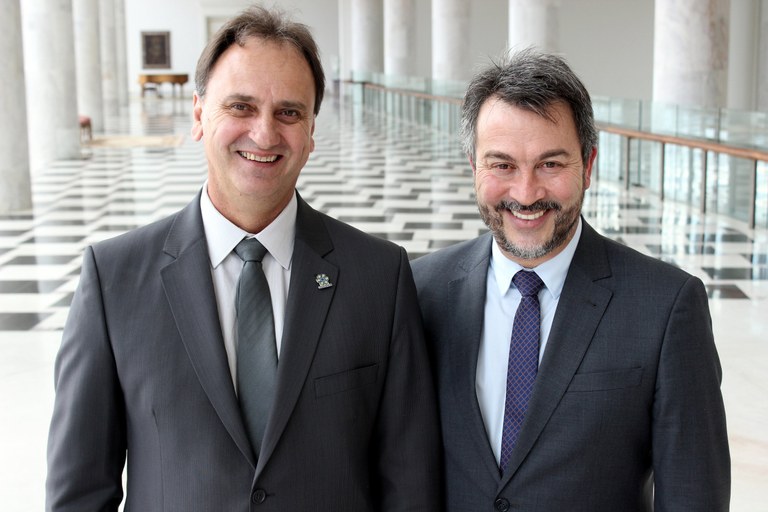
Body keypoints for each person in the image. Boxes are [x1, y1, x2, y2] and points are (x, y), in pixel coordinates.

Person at [46, 6, 441, 511]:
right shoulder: (113, 280)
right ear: (198, 115)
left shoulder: (379, 277)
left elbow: (409, 484)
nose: (265, 133)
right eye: (240, 106)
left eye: (289, 113)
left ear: (311, 133)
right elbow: (79, 494)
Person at [411, 49, 730, 511]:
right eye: (502, 165)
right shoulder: (421, 290)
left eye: (551, 164)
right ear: (473, 166)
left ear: (589, 164)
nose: (526, 194)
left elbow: (693, 494)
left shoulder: (666, 306)